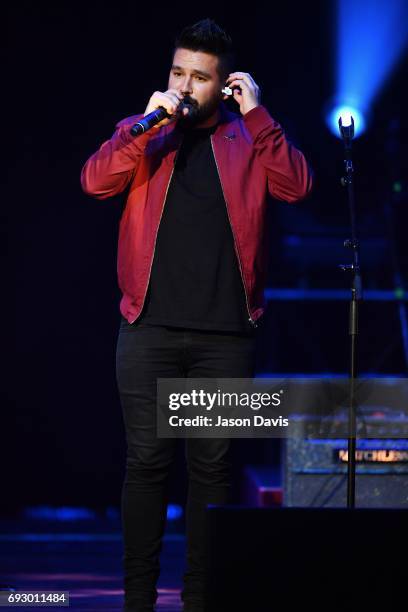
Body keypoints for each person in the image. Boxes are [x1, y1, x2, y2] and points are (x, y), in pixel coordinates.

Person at [81, 17, 313, 612]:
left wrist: (258, 116)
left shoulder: (247, 139)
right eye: (178, 73)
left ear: (225, 85)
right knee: (147, 465)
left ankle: (201, 600)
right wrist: (146, 124)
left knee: (212, 472)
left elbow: (297, 186)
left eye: (200, 78)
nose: (185, 87)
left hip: (225, 338)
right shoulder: (144, 135)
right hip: (148, 329)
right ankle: (138, 599)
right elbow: (95, 182)